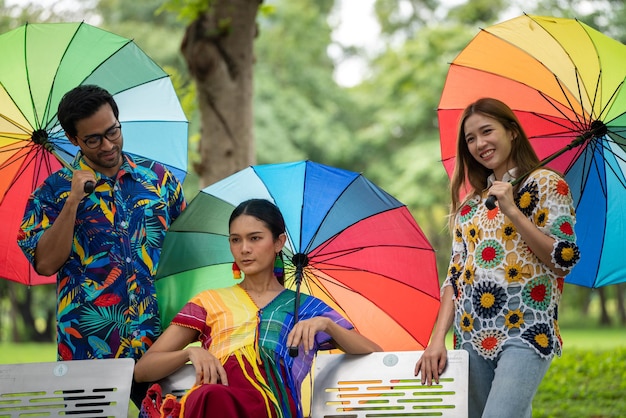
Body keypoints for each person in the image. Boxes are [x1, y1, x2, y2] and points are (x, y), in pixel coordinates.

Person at [134, 198, 382, 418]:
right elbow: (143, 370)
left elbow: (373, 351)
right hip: (215, 402)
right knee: (209, 396)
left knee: (210, 397)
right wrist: (190, 353)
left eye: (255, 238)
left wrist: (326, 324)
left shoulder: (305, 307)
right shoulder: (209, 301)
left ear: (278, 242)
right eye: (235, 240)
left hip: (275, 407)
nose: (244, 249)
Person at [17, 84, 186, 406]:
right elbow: (45, 263)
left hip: (159, 336)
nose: (108, 145)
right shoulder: (51, 192)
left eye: (113, 132)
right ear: (73, 139)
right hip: (88, 341)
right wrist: (72, 202)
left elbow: (186, 251)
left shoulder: (159, 180)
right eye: (93, 139)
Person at [415, 98, 580, 418]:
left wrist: (513, 211)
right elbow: (454, 277)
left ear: (512, 132)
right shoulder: (470, 206)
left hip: (527, 329)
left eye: (487, 131)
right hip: (470, 334)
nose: (479, 143)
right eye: (470, 139)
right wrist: (437, 339)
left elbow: (563, 259)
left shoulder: (546, 183)